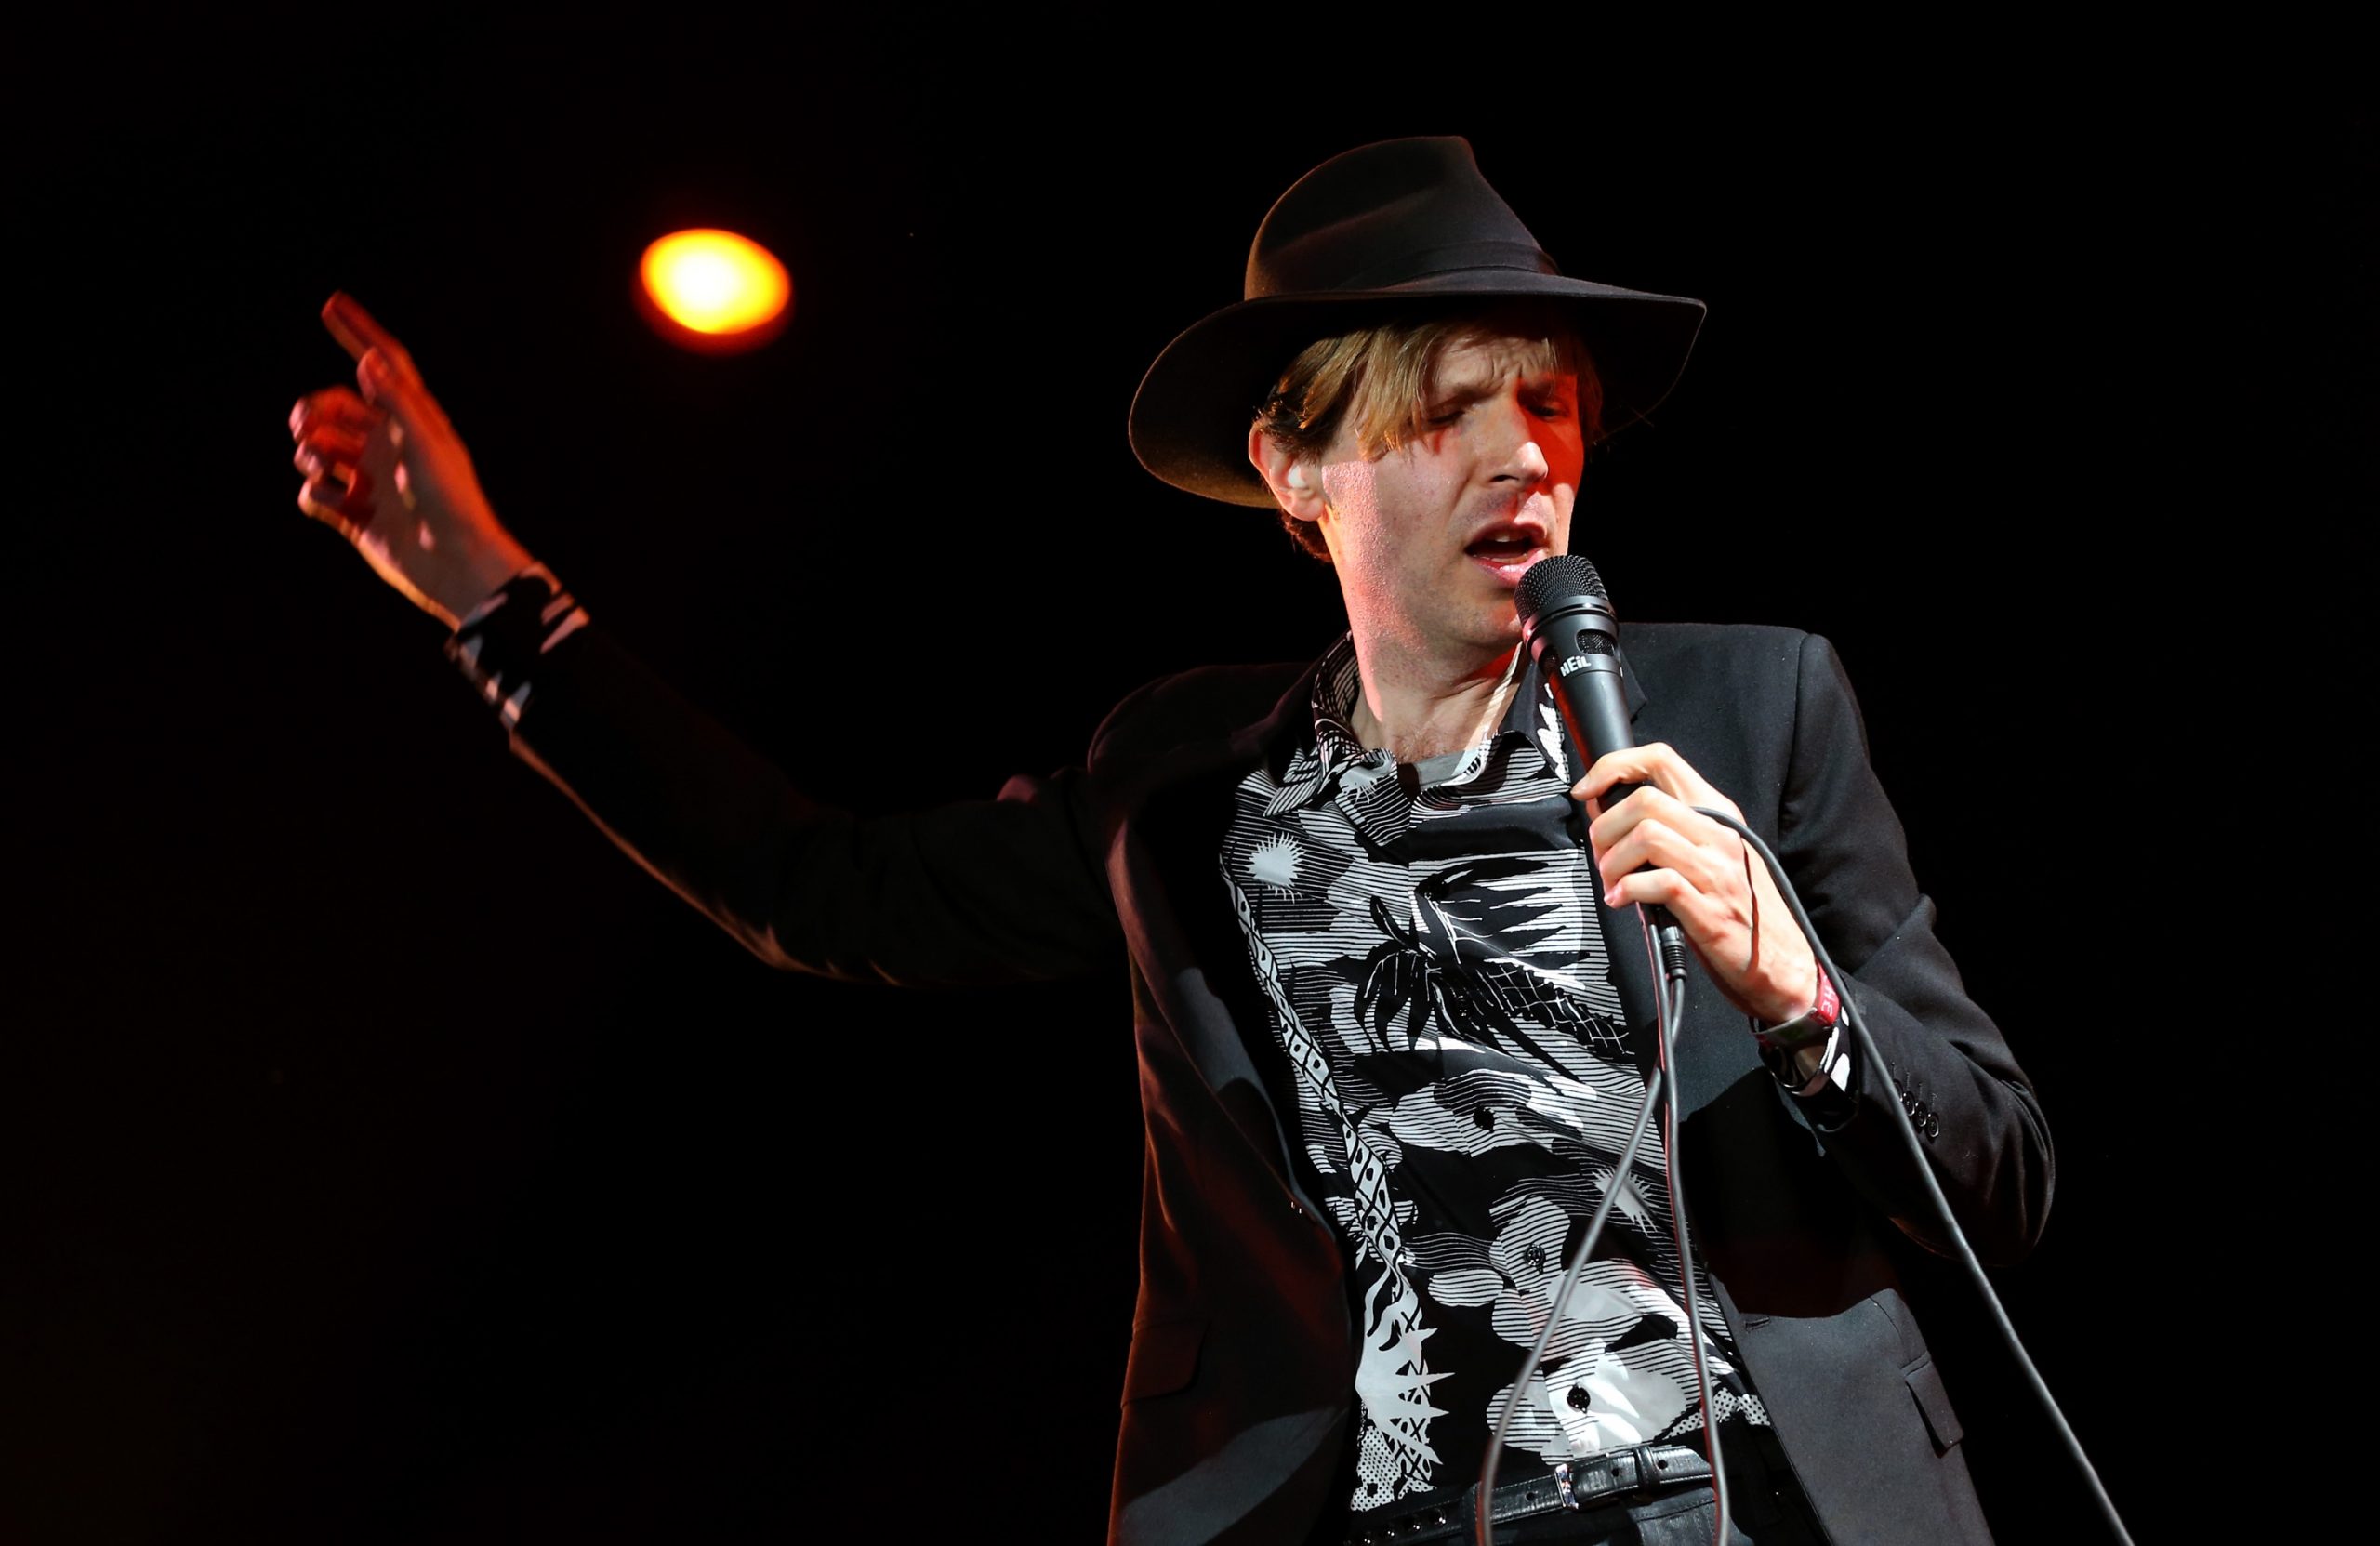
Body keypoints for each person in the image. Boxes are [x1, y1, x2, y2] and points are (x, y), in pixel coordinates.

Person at [289, 137, 2052, 1545]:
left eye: (1553, 403)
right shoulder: (1184, 793)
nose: (1526, 453)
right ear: (1300, 465)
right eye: (1450, 407)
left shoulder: (1754, 711)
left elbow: (1999, 1173)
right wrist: (493, 607)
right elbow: (810, 889)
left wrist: (1802, 993)